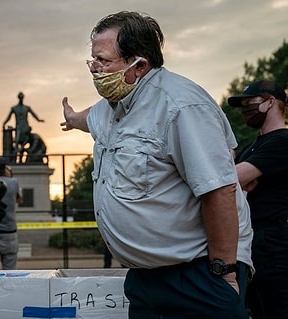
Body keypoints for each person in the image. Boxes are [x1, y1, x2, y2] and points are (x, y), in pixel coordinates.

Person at [60, 11, 253, 318]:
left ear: (139, 64)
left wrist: (224, 273)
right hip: (145, 278)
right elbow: (89, 118)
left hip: (197, 274)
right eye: (92, 61)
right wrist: (72, 120)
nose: (94, 69)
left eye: (103, 61)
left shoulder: (181, 107)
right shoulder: (112, 108)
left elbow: (219, 191)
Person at [228, 80, 288, 319]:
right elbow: (232, 182)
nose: (245, 110)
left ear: (270, 102)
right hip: (252, 242)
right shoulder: (254, 147)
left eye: (249, 103)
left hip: (273, 244)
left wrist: (238, 178)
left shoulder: (282, 141)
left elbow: (230, 180)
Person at [3, 92, 44, 159]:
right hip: (19, 128)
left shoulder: (27, 108)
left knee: (23, 142)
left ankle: (21, 158)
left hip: (25, 127)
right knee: (18, 142)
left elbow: (33, 114)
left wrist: (39, 120)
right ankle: (18, 158)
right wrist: (4, 123)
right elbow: (8, 117)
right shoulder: (14, 108)